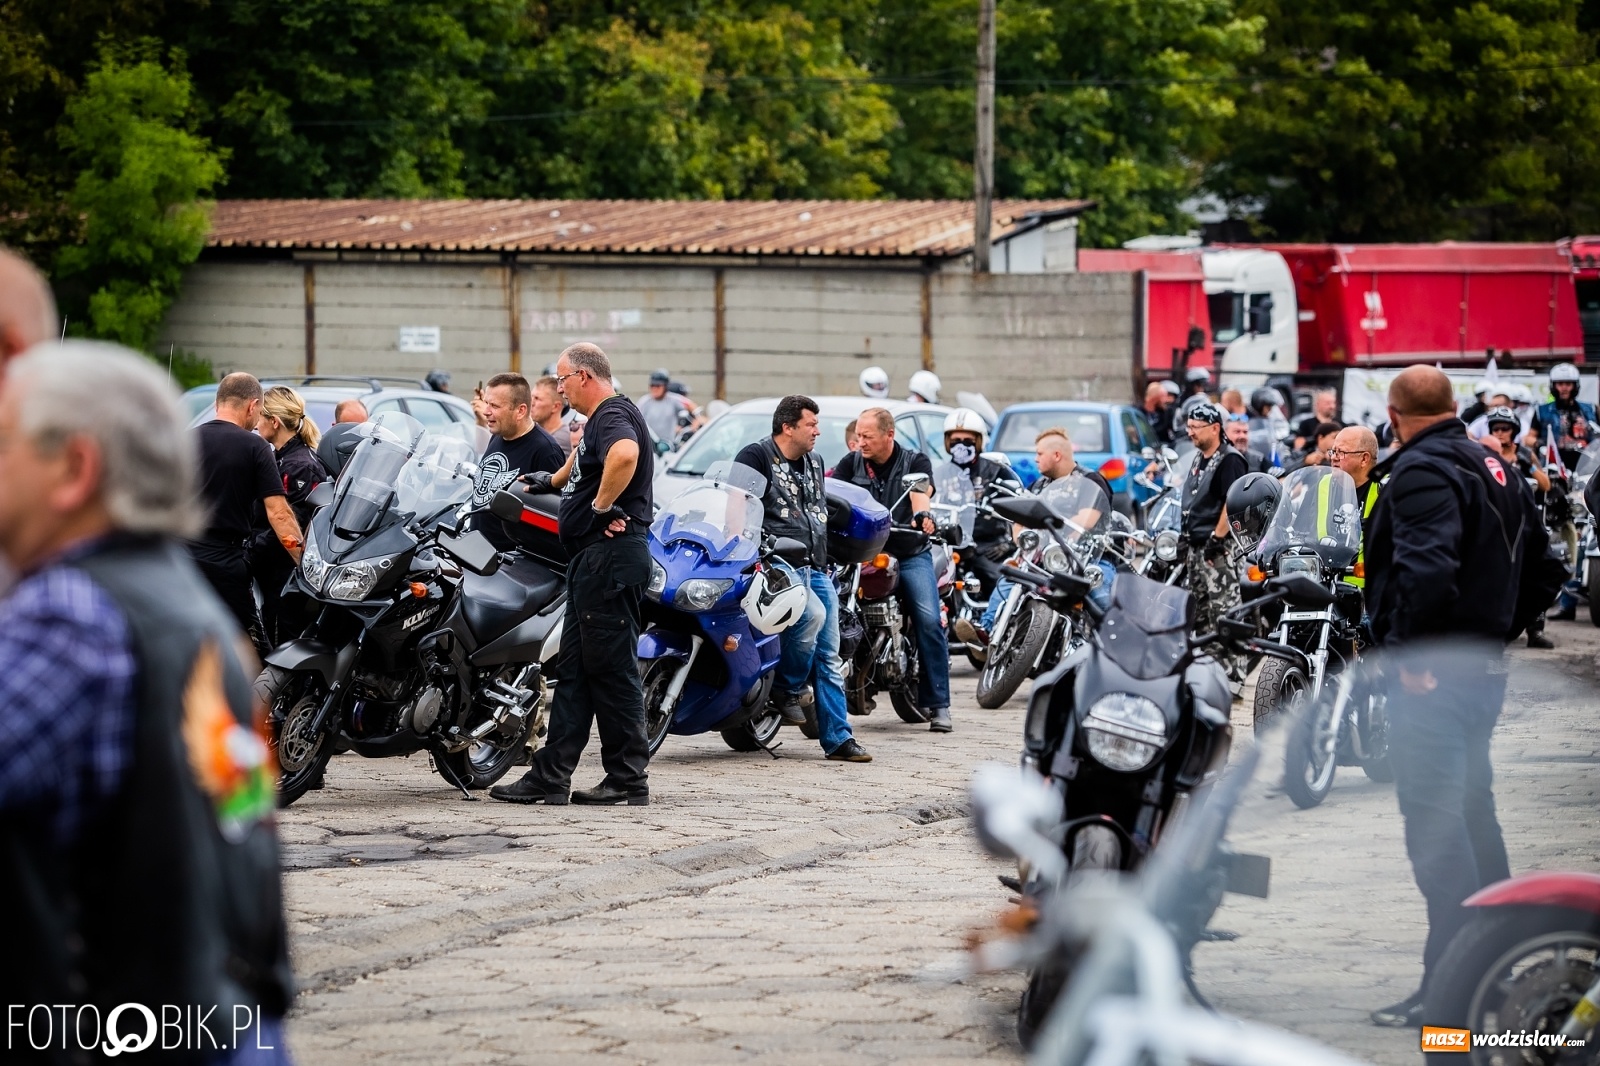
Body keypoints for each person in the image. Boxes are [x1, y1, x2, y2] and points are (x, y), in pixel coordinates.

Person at [0, 342, 291, 1061]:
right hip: (219, 1019)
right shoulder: (193, 617)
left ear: (74, 468)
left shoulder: (68, 615)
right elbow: (247, 825)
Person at [1364, 366, 1529, 1029]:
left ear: (1395, 414)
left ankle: (1456, 990)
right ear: (1456, 406)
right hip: (1479, 675)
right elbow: (1540, 570)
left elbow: (1427, 567)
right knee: (1473, 820)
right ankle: (1497, 968)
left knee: (1441, 841)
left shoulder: (1422, 469)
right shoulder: (1495, 466)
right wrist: (1490, 637)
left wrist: (1414, 655)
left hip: (1435, 686)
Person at [491, 342, 654, 806]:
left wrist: (601, 507)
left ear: (584, 376)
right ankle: (551, 775)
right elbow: (585, 463)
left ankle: (627, 778)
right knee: (577, 673)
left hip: (609, 558)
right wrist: (551, 481)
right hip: (594, 561)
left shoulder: (612, 416)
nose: (558, 388)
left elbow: (623, 455)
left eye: (562, 379)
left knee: (613, 670)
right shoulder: (600, 420)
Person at [734, 396, 871, 762]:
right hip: (775, 563)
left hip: (816, 566)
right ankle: (787, 688)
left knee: (829, 654)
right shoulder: (755, 457)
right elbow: (736, 510)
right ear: (787, 426)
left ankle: (839, 740)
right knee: (811, 615)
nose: (818, 431)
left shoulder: (816, 462)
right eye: (811, 424)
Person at [833, 408, 951, 731]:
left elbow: (920, 498)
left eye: (867, 436)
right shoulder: (851, 463)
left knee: (928, 619)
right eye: (858, 436)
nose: (860, 442)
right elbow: (832, 493)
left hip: (908, 551)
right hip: (863, 554)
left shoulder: (915, 463)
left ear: (889, 435)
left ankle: (939, 704)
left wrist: (923, 518)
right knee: (834, 608)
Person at [963, 427, 1113, 642]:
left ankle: (1118, 646)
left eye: (1040, 454)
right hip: (1047, 559)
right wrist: (1024, 541)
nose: (1035, 459)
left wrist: (1055, 534)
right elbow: (1019, 520)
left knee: (1100, 600)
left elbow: (1086, 520)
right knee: (1009, 581)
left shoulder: (1090, 481)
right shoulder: (1038, 486)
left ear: (1057, 455)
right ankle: (987, 632)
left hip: (1089, 560)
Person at [190, 373, 303, 652]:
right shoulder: (255, 447)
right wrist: (304, 563)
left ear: (218, 403)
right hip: (226, 564)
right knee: (256, 651)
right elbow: (279, 514)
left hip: (184, 559)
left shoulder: (185, 439)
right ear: (252, 406)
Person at [253, 385, 328, 647]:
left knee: (280, 643)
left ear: (274, 422)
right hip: (275, 570)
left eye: (260, 417)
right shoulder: (282, 457)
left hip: (285, 574)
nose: (255, 424)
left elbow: (289, 528)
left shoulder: (299, 465)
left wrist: (247, 553)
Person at [1180, 401, 1247, 676]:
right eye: (1189, 427)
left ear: (1215, 428)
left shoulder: (1230, 459)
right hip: (1196, 545)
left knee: (1225, 611)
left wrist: (1217, 539)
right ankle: (1209, 671)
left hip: (1218, 549)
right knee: (1202, 612)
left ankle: (1233, 674)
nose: (1190, 432)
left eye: (1196, 427)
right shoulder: (1199, 458)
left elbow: (1231, 503)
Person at [942, 407, 1023, 623]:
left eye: (967, 440)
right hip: (949, 542)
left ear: (978, 441)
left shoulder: (996, 470)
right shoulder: (941, 473)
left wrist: (1008, 543)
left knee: (999, 581)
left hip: (988, 544)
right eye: (955, 439)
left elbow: (1018, 499)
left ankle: (996, 626)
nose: (961, 444)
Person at [472, 372, 565, 551]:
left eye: (494, 405)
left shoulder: (546, 451)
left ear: (520, 410)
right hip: (476, 555)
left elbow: (552, 518)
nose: (486, 411)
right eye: (487, 403)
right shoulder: (498, 435)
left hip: (509, 566)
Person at [1330, 426, 1381, 589]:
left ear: (1364, 459)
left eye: (1341, 452)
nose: (1334, 458)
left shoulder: (1387, 491)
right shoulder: (1320, 487)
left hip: (1370, 593)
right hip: (1324, 588)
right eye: (1333, 451)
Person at [317, 397, 368, 477]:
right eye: (349, 429)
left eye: (362, 428)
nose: (356, 435)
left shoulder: (376, 452)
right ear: (335, 427)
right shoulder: (323, 456)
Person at [638, 367, 689, 446]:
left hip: (669, 446)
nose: (654, 388)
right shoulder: (644, 402)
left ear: (666, 386)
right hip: (649, 446)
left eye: (658, 385)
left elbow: (692, 408)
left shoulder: (674, 400)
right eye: (652, 385)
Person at [534, 373, 578, 457]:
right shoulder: (541, 435)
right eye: (531, 397)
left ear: (555, 406)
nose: (532, 403)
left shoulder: (560, 439)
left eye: (537, 398)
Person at [1143, 380, 1178, 446]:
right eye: (1163, 396)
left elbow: (1172, 431)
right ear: (1155, 398)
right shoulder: (1140, 412)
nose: (1166, 400)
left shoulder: (1166, 413)